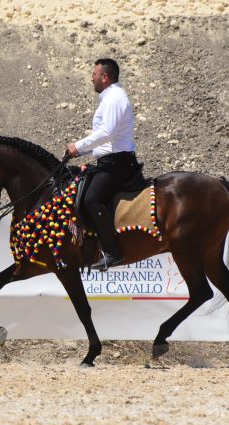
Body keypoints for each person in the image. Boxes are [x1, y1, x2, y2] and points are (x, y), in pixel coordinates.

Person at [66, 58, 139, 271]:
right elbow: (104, 139)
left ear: (105, 77)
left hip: (118, 163)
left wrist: (78, 146)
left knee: (91, 199)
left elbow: (107, 133)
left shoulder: (115, 98)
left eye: (94, 74)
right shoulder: (110, 97)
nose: (92, 78)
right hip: (109, 160)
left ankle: (113, 253)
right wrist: (77, 151)